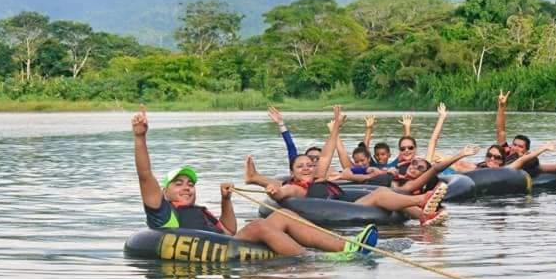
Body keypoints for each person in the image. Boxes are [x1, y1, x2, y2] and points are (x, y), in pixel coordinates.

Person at [132, 105, 378, 260]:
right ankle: (311, 262)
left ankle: (344, 246)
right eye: (179, 184)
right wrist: (140, 138)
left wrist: (225, 200)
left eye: (190, 183)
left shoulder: (200, 213)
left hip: (228, 243)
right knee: (258, 225)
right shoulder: (164, 215)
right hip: (218, 251)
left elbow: (228, 231)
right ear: (165, 192)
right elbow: (145, 175)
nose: (187, 186)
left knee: (281, 215)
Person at [246, 106, 471, 226]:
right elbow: (284, 191)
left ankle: (424, 215)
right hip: (329, 211)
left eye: (309, 164)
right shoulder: (299, 187)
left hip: (344, 203)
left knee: (385, 195)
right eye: (301, 166)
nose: (307, 167)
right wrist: (275, 192)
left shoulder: (318, 176)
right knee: (382, 194)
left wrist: (335, 127)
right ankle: (421, 202)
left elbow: (326, 154)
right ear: (293, 171)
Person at [495, 90, 556, 176]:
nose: (515, 148)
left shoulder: (529, 164)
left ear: (526, 152)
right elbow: (501, 131)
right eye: (514, 144)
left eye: (520, 147)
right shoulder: (505, 152)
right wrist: (501, 106)